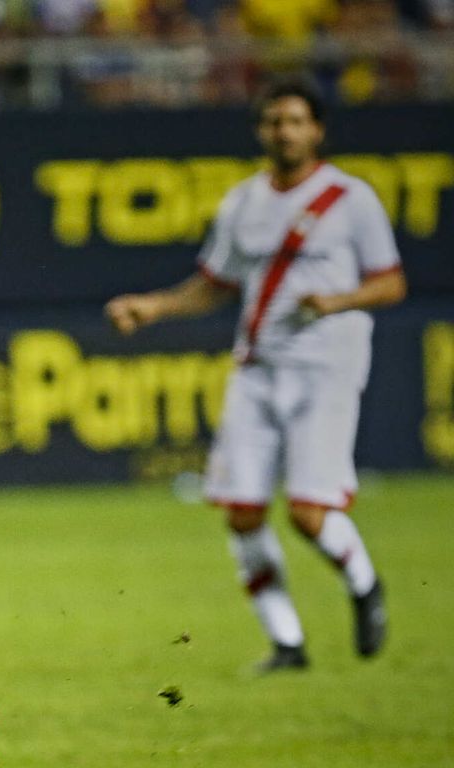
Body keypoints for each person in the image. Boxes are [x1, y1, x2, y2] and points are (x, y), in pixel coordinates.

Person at [105, 78, 405, 672]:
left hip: (325, 368)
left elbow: (391, 283)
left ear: (317, 130)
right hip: (257, 368)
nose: (284, 131)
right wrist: (153, 306)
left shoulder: (351, 199)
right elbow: (213, 285)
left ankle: (365, 585)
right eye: (273, 122)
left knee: (307, 513)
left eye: (295, 120)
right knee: (241, 510)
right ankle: (287, 643)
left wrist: (338, 300)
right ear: (261, 132)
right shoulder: (243, 202)